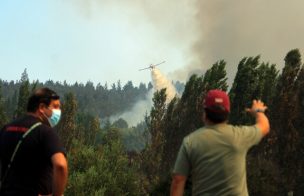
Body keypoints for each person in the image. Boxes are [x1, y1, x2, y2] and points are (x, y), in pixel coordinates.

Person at [170, 89, 270, 196]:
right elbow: (264, 126)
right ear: (227, 113)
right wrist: (258, 112)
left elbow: (178, 180)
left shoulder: (190, 142)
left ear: (205, 113)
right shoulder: (239, 136)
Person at [0, 87, 68, 196]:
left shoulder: (6, 128)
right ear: (41, 107)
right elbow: (60, 165)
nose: (58, 112)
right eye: (55, 107)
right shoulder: (45, 132)